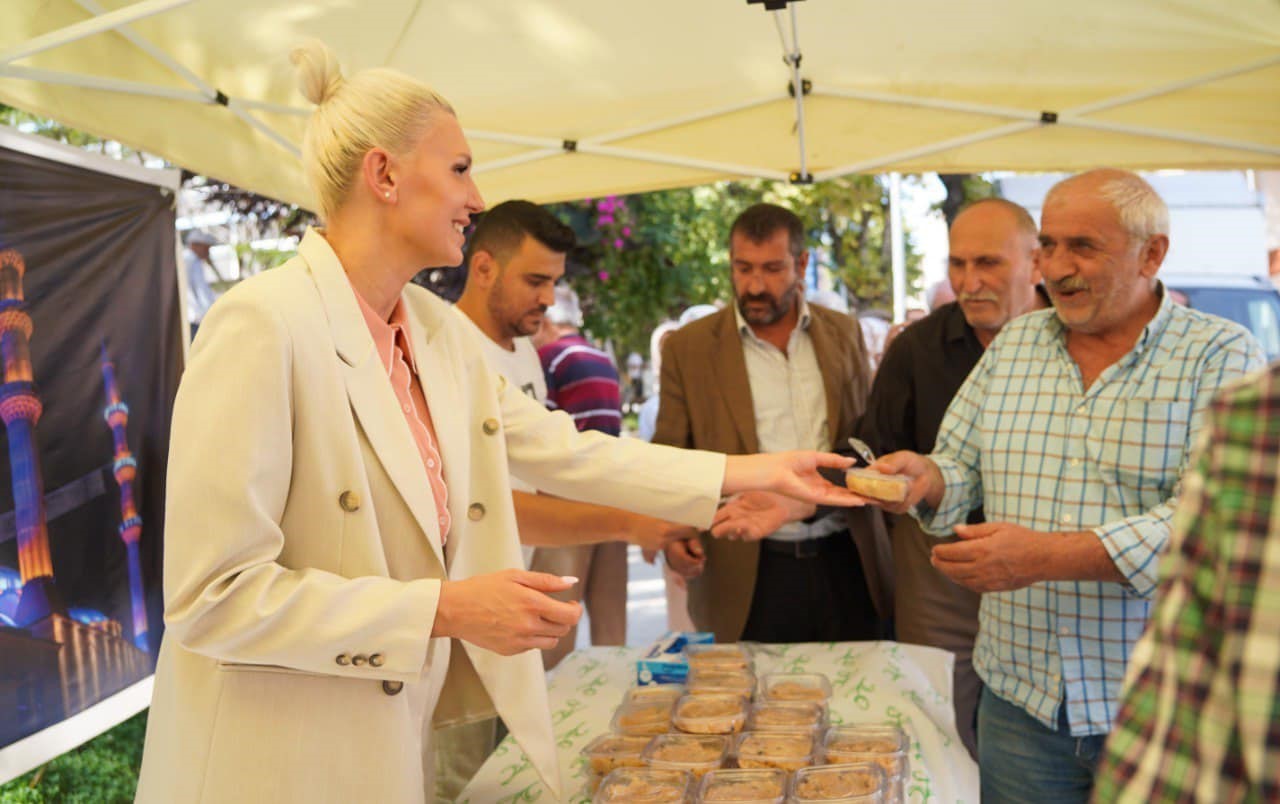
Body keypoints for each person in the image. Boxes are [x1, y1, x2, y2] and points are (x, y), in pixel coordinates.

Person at [135, 41, 862, 804]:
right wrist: (446, 608)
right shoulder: (261, 324)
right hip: (266, 768)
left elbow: (561, 448)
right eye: (459, 169)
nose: (477, 197)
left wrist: (758, 470)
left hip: (382, 750)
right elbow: (211, 596)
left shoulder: (431, 330)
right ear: (383, 174)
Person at [866, 169, 1265, 802]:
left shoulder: (1221, 354)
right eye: (1048, 245)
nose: (1057, 267)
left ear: (1153, 252)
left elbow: (1208, 523)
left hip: (1156, 703)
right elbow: (960, 463)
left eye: (1083, 246)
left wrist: (1043, 557)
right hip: (1020, 702)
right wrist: (928, 478)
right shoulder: (1017, 343)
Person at [716, 197, 1046, 758]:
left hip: (1044, 570)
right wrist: (794, 503)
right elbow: (868, 452)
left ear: (1037, 262)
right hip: (940, 572)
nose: (970, 281)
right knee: (937, 725)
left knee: (1035, 740)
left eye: (988, 263)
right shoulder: (918, 348)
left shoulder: (1074, 342)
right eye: (957, 264)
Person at [445, 199, 696, 796]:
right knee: (463, 782)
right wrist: (629, 522)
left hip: (512, 616)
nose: (548, 299)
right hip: (460, 631)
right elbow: (492, 506)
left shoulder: (523, 352)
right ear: (483, 268)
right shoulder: (445, 352)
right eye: (535, 281)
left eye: (554, 283)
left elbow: (563, 464)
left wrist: (669, 501)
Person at [655, 202, 891, 644]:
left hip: (845, 557)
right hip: (745, 569)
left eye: (772, 268)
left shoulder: (844, 333)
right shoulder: (689, 349)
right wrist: (673, 533)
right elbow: (670, 454)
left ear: (802, 264)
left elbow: (864, 440)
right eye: (743, 268)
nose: (755, 285)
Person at [1092, 363, 1278, 802]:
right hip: (1023, 689)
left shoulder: (1236, 381)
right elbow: (1188, 702)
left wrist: (1047, 556)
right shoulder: (1254, 419)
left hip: (1112, 668)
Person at [531, 283, 629, 666]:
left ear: (551, 322)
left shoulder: (551, 359)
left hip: (568, 501)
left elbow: (539, 434)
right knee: (611, 623)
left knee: (556, 628)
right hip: (613, 496)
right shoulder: (601, 357)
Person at [183, 230, 222, 338]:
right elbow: (200, 290)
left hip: (194, 317)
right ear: (195, 245)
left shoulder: (190, 260)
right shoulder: (191, 260)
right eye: (206, 248)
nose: (208, 252)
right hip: (194, 318)